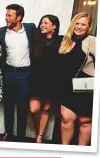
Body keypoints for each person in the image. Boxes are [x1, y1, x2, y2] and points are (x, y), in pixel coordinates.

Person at [58, 13, 96, 146]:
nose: (79, 27)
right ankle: (65, 150)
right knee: (66, 118)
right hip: (67, 86)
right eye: (77, 23)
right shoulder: (65, 40)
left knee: (85, 122)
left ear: (89, 27)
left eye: (83, 24)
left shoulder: (93, 41)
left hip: (85, 85)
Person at [0, 4, 35, 142]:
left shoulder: (30, 29)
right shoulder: (2, 31)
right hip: (8, 73)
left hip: (25, 75)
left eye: (9, 15)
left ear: (19, 17)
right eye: (6, 15)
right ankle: (8, 133)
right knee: (8, 106)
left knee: (22, 108)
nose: (6, 18)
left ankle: (21, 138)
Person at [29, 14, 62, 143]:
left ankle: (40, 136)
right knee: (34, 108)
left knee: (46, 109)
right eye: (41, 22)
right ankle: (39, 130)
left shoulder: (61, 40)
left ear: (54, 26)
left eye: (45, 23)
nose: (42, 25)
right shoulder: (36, 39)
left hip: (52, 80)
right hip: (36, 79)